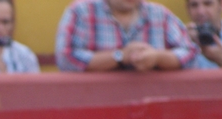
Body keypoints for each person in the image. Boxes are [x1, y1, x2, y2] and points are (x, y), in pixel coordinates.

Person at [55, 0, 198, 72]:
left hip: (151, 111)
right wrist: (119, 56)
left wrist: (157, 58)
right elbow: (65, 58)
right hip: (95, 109)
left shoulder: (160, 14)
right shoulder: (81, 12)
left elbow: (191, 53)